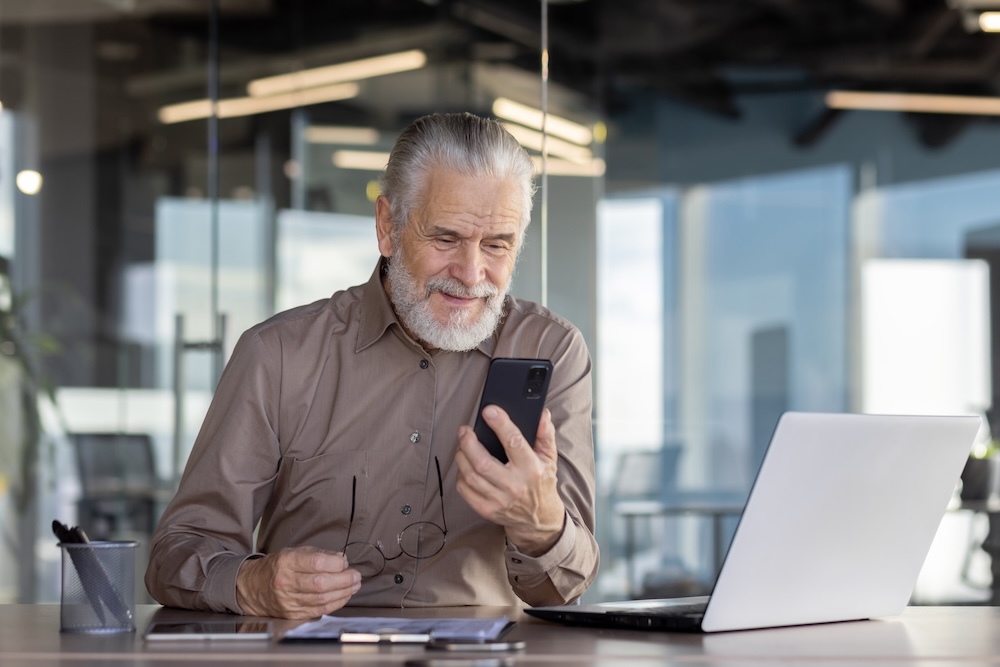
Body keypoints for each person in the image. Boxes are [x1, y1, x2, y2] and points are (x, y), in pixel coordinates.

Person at [145, 112, 598, 619]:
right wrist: (255, 583)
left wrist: (541, 525)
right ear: (388, 227)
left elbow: (565, 587)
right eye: (445, 239)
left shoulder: (552, 349)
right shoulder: (278, 354)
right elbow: (175, 554)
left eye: (496, 245)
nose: (472, 274)